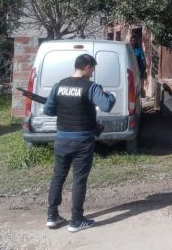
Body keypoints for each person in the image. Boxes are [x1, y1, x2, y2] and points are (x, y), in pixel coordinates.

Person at [44, 53, 115, 232]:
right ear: (88, 67)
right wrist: (111, 95)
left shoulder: (58, 85)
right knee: (79, 180)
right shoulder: (90, 87)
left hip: (61, 139)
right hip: (82, 140)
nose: (92, 73)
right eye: (93, 69)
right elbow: (106, 105)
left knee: (58, 177)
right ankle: (76, 220)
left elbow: (48, 110)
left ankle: (52, 216)